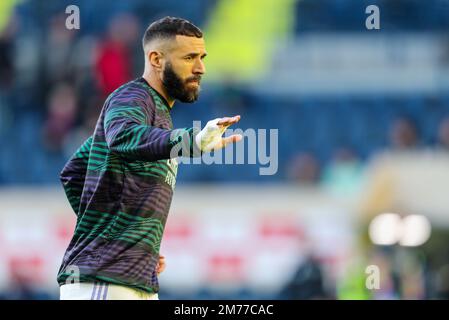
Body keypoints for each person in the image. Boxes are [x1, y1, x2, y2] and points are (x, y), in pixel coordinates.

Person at [57, 16, 242, 300]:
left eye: (202, 57)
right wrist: (191, 141)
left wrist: (131, 240)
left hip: (132, 280)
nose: (201, 68)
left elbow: (74, 172)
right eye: (189, 57)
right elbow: (123, 136)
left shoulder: (157, 112)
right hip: (104, 280)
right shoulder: (132, 97)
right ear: (156, 59)